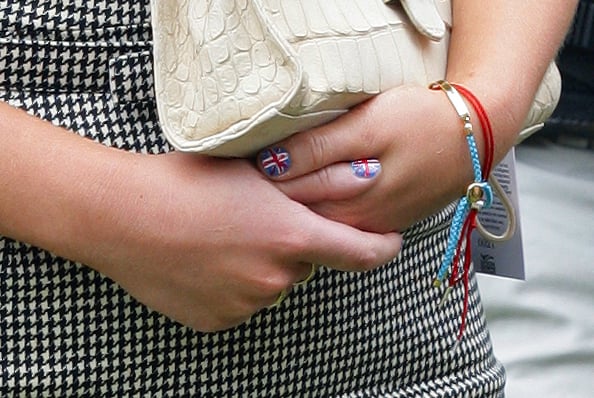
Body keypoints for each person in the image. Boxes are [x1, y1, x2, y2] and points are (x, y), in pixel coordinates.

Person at [0, 0, 576, 396]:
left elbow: (483, 96)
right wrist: (113, 212)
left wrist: (480, 106)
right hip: (46, 323)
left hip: (402, 323)